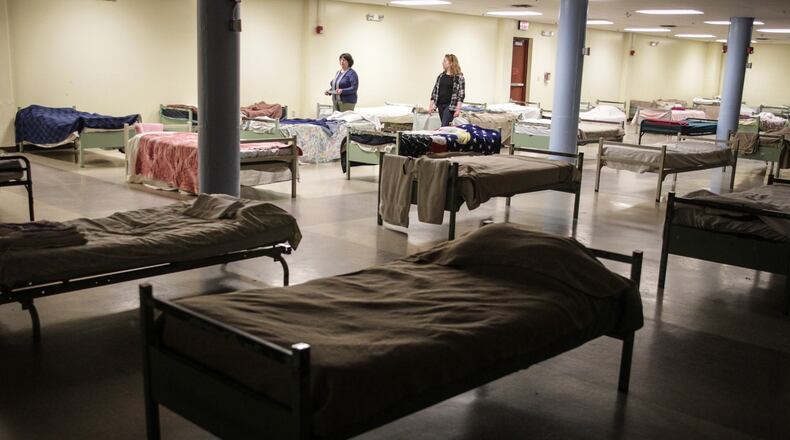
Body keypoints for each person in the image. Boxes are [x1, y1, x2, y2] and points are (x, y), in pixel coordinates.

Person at [428, 54, 465, 127]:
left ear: (451, 63)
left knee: (444, 126)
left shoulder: (459, 78)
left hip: (450, 106)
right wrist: (431, 106)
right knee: (446, 127)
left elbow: (461, 95)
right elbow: (434, 91)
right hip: (440, 105)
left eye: (445, 61)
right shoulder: (441, 76)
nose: (442, 63)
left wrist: (458, 110)